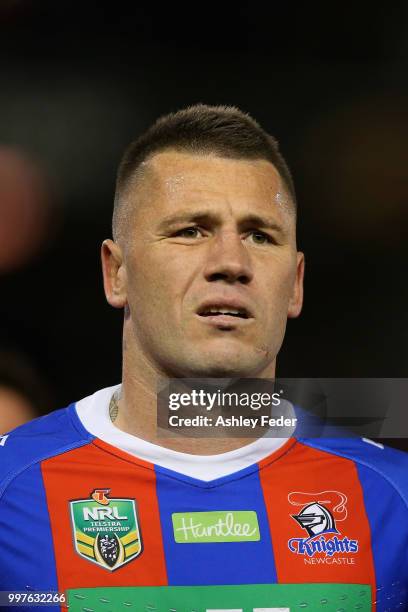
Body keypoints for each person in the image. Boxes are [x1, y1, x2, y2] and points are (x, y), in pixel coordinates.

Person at [0, 105, 407, 612]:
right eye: (191, 230)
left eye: (261, 235)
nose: (231, 263)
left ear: (296, 284)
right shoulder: (10, 491)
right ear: (116, 273)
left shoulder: (394, 501)